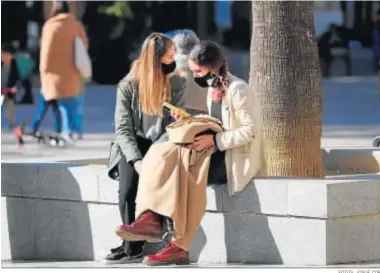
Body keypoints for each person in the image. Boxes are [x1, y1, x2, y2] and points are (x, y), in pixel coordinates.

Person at [115, 41, 262, 266]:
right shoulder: (213, 87)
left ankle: (178, 246)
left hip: (234, 155)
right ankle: (150, 217)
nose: (195, 76)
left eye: (198, 71)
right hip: (216, 148)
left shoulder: (237, 88)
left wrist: (213, 140)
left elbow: (249, 132)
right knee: (161, 151)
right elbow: (216, 121)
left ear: (212, 67)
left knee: (186, 168)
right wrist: (189, 121)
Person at [104, 32, 187, 264]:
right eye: (171, 54)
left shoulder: (177, 83)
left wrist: (178, 120)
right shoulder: (128, 86)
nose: (175, 59)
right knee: (128, 189)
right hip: (134, 146)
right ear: (159, 58)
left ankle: (145, 241)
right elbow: (123, 130)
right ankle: (132, 247)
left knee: (161, 175)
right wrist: (138, 161)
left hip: (163, 144)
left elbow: (173, 128)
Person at [33, 0, 88, 136]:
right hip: (72, 72)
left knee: (56, 103)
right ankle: (73, 130)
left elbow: (45, 51)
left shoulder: (50, 27)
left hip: (53, 73)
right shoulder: (75, 25)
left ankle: (63, 130)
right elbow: (84, 45)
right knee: (71, 103)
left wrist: (43, 71)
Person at [172, 29, 208, 115]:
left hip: (179, 119)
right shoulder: (208, 69)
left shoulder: (172, 70)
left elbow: (164, 104)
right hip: (205, 119)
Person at [1, 43, 20, 130]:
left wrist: (15, 86)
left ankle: (12, 124)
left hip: (8, 89)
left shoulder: (13, 63)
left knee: (10, 107)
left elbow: (17, 76)